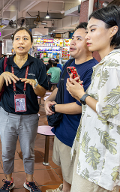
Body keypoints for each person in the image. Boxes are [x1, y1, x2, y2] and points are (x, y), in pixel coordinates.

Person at [66, 5, 120, 192]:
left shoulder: (112, 65)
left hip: (100, 159)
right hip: (94, 152)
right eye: (87, 31)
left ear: (113, 30)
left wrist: (81, 95)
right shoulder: (106, 63)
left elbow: (109, 110)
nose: (87, 36)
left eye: (93, 30)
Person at [0, 27, 48, 192]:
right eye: (17, 38)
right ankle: (8, 180)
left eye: (25, 39)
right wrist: (2, 76)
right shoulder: (4, 63)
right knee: (7, 151)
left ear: (31, 43)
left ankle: (29, 181)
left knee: (28, 152)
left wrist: (35, 84)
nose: (21, 42)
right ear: (13, 43)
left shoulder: (38, 64)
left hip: (30, 116)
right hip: (7, 115)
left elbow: (42, 92)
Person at [44, 22, 98, 192]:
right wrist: (47, 100)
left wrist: (55, 108)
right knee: (65, 171)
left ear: (89, 42)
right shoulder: (69, 63)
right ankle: (63, 189)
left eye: (79, 39)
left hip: (75, 134)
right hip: (61, 127)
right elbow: (59, 88)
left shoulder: (93, 69)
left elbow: (81, 106)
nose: (72, 42)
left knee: (74, 175)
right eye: (72, 38)